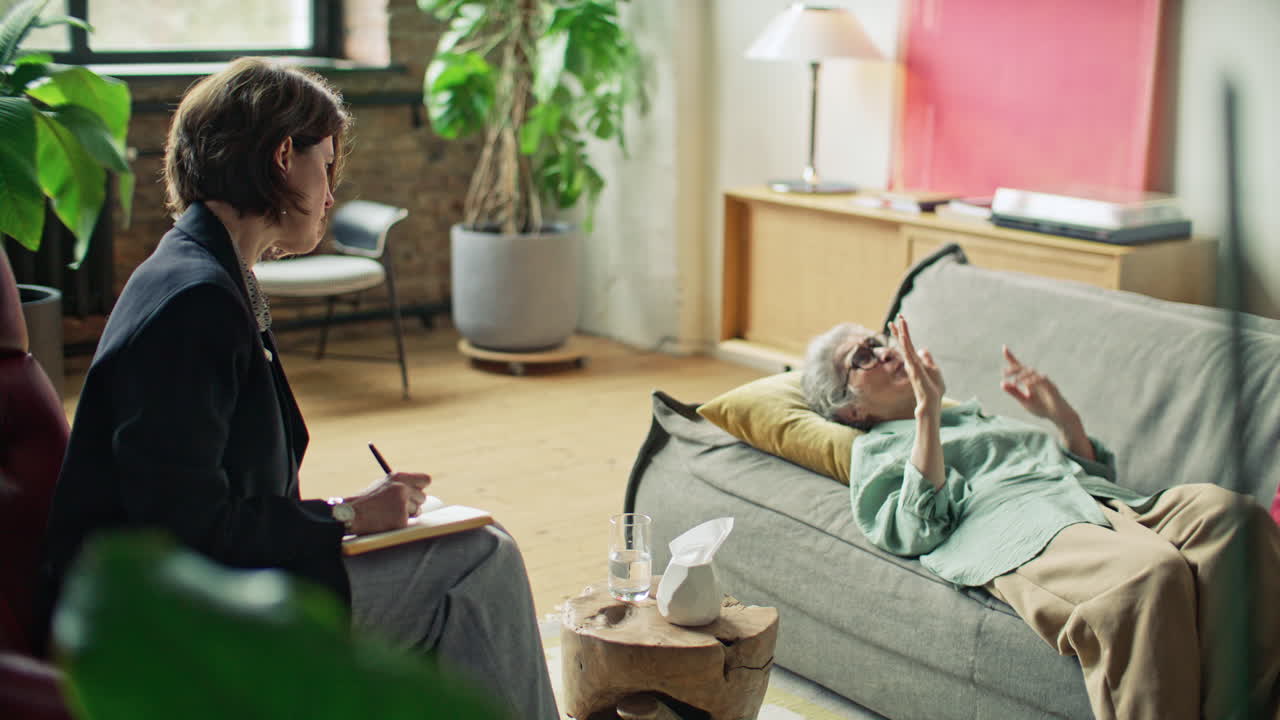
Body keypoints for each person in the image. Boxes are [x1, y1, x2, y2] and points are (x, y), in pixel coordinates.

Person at [36, 58, 558, 718]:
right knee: (479, 562)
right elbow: (184, 532)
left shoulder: (205, 271)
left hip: (185, 593)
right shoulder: (196, 303)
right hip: (160, 627)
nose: (332, 193)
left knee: (469, 560)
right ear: (285, 155)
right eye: (328, 165)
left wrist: (353, 517)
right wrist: (346, 517)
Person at [802, 316, 1280, 720]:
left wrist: (1064, 420)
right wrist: (927, 411)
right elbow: (916, 527)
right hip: (1024, 531)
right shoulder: (877, 450)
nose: (882, 353)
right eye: (860, 358)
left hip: (1103, 504)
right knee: (1148, 575)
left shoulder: (975, 418)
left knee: (1235, 520)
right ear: (852, 411)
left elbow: (1081, 472)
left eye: (878, 343)